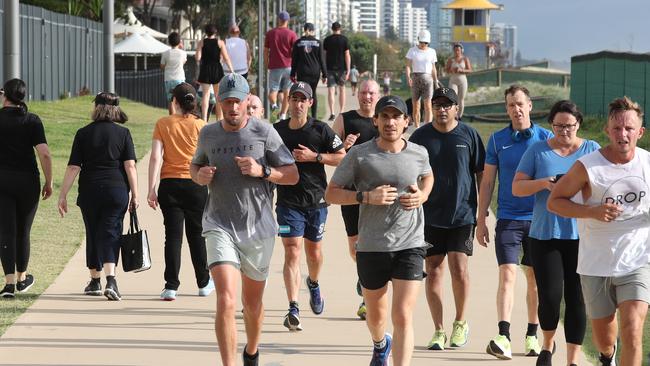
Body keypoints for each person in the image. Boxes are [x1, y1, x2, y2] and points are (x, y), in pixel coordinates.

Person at [190, 73, 298, 366]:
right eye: (227, 102)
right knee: (225, 300)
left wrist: (262, 171)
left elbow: (291, 175)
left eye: (238, 101)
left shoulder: (265, 132)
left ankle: (251, 349)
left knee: (252, 305)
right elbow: (196, 164)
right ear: (219, 103)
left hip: (257, 229)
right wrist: (198, 175)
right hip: (218, 224)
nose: (233, 107)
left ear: (247, 101)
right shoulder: (209, 134)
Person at [325, 95, 433, 366]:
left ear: (407, 121)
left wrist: (422, 195)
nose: (390, 122)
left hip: (410, 243)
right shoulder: (360, 155)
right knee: (376, 317)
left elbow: (427, 176)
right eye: (384, 116)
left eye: (396, 116)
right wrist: (366, 197)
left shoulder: (418, 152)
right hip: (372, 245)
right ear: (375, 121)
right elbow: (331, 194)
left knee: (403, 316)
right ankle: (380, 342)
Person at [548, 96, 650, 366]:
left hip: (638, 260)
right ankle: (608, 357)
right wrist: (591, 212)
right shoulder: (588, 166)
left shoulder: (648, 164)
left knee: (632, 330)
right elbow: (554, 201)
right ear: (607, 131)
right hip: (596, 263)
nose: (623, 134)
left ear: (640, 132)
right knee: (605, 340)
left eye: (629, 129)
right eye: (617, 128)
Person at [512, 100, 599, 365]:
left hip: (581, 236)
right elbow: (517, 188)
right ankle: (548, 346)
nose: (564, 131)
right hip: (545, 235)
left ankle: (572, 359)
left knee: (577, 299)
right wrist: (544, 184)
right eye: (558, 126)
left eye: (569, 126)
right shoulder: (538, 151)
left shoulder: (591, 150)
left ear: (578, 125)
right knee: (549, 297)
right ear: (551, 126)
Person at [477, 85, 551, 359]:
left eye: (520, 103)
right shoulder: (498, 140)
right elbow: (487, 182)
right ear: (506, 109)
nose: (516, 109)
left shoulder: (546, 138)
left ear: (530, 105)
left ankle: (532, 335)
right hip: (508, 219)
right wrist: (481, 217)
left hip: (539, 220)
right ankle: (504, 335)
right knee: (507, 274)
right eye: (510, 105)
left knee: (533, 279)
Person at [409, 87, 484, 351]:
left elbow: (481, 173)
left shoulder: (469, 135)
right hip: (430, 215)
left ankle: (460, 322)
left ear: (456, 108)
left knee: (459, 268)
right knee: (433, 271)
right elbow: (411, 172)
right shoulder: (420, 137)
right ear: (432, 108)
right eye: (438, 105)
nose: (442, 109)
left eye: (447, 105)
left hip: (462, 213)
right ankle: (439, 329)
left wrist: (482, 210)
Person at [273, 82, 345, 331]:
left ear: (310, 103)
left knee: (314, 254)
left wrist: (315, 157)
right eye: (294, 98)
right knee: (292, 250)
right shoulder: (277, 130)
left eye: (303, 99)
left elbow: (342, 156)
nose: (298, 103)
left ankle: (313, 283)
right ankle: (293, 307)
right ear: (288, 101)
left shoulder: (321, 130)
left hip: (316, 201)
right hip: (287, 202)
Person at [58, 92, 138, 301]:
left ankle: (95, 280)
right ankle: (111, 279)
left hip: (90, 190)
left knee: (93, 231)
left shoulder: (83, 133)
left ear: (96, 108)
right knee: (111, 231)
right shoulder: (123, 133)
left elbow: (74, 167)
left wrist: (63, 194)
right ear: (115, 109)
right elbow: (130, 166)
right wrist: (135, 194)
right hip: (116, 190)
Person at [147, 82, 214, 301]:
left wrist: (151, 188)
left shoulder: (163, 123)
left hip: (169, 184)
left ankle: (171, 286)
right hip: (195, 184)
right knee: (197, 235)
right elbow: (208, 157)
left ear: (174, 102)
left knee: (172, 237)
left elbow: (156, 157)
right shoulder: (202, 125)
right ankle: (203, 283)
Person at [331, 79, 381, 319]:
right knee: (355, 247)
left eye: (371, 93)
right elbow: (329, 151)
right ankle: (363, 278)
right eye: (363, 92)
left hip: (377, 195)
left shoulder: (384, 119)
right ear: (357, 94)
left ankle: (366, 298)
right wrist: (343, 146)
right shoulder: (345, 119)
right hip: (351, 194)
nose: (367, 97)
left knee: (370, 246)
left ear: (378, 95)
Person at [0, 79, 52, 298]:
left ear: (6, 96)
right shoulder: (31, 120)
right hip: (28, 181)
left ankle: (9, 283)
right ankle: (22, 278)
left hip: (2, 180)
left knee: (6, 231)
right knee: (23, 231)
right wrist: (49, 182)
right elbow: (45, 153)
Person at [196, 24, 235, 122]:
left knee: (206, 95)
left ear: (206, 32)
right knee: (218, 96)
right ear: (215, 32)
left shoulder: (202, 42)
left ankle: (204, 119)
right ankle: (219, 119)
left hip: (205, 69)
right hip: (217, 69)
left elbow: (198, 58)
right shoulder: (220, 43)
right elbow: (226, 58)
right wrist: (232, 70)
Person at [264, 11, 298, 120]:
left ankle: (274, 106)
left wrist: (266, 64)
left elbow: (266, 51)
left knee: (272, 91)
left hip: (274, 66)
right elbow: (296, 51)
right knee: (287, 92)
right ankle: (283, 116)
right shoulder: (292, 34)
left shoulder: (270, 33)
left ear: (278, 20)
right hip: (289, 66)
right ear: (287, 21)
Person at [290, 22, 327, 119]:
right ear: (313, 31)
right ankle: (314, 117)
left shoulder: (298, 43)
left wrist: (292, 74)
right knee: (313, 93)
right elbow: (322, 60)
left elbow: (294, 60)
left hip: (302, 72)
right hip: (315, 72)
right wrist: (324, 74)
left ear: (304, 30)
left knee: (302, 93)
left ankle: (304, 115)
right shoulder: (318, 43)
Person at [405, 30, 439, 128]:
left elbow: (433, 68)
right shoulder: (412, 51)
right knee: (416, 106)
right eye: (422, 42)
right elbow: (407, 66)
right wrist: (408, 77)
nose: (423, 44)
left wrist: (436, 81)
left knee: (428, 105)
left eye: (425, 42)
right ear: (418, 40)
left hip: (428, 79)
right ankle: (417, 126)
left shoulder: (432, 52)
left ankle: (427, 127)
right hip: (415, 78)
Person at [323, 21, 350, 122]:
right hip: (342, 69)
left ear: (332, 29)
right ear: (340, 29)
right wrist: (348, 70)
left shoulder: (327, 40)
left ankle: (332, 113)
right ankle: (341, 111)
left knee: (331, 90)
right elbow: (347, 55)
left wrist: (323, 70)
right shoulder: (344, 40)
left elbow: (324, 56)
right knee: (342, 89)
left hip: (329, 69)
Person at [161, 32, 187, 115]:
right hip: (180, 79)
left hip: (169, 79)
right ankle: (179, 116)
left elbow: (162, 66)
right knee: (180, 100)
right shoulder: (183, 53)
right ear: (180, 42)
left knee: (171, 100)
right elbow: (183, 62)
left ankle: (172, 118)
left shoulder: (165, 53)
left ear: (169, 42)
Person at [445, 43, 471, 119]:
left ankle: (459, 116)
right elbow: (446, 70)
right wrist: (451, 70)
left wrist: (461, 70)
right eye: (455, 50)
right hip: (453, 80)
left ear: (461, 51)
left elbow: (470, 70)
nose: (457, 52)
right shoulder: (451, 59)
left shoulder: (465, 59)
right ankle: (453, 115)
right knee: (453, 98)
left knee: (461, 98)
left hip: (462, 80)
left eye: (458, 50)